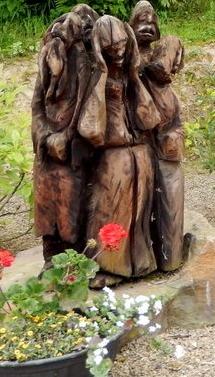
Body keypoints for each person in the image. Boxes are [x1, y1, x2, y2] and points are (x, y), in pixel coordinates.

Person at [78, 15, 161, 284]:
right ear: (100, 49)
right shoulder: (94, 77)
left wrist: (134, 76)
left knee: (139, 208)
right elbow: (89, 127)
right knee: (111, 207)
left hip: (138, 149)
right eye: (111, 48)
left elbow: (151, 117)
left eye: (123, 45)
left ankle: (139, 262)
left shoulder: (131, 74)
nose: (119, 53)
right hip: (113, 152)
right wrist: (103, 75)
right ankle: (106, 265)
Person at [31, 10, 97, 264]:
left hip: (72, 150)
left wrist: (66, 138)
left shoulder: (82, 60)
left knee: (72, 202)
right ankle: (51, 255)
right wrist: (44, 136)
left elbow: (84, 108)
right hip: (47, 150)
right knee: (46, 201)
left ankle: (73, 258)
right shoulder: (48, 61)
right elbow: (37, 106)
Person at [130, 0, 187, 272]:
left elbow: (162, 70)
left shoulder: (162, 54)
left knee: (171, 205)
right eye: (141, 21)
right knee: (139, 208)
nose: (148, 26)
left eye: (153, 22)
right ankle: (142, 261)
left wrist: (176, 136)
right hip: (137, 146)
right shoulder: (127, 62)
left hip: (166, 144)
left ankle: (170, 259)